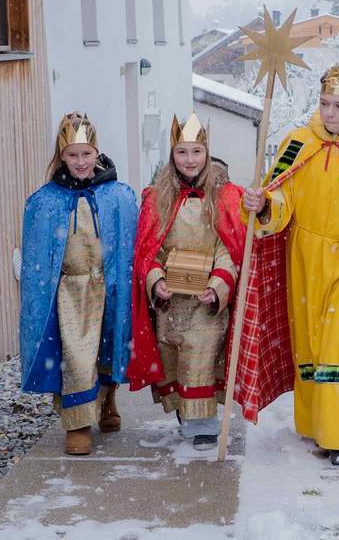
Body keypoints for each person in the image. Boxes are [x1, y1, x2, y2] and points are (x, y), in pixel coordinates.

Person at [241, 65, 339, 465]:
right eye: (325, 104)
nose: (330, 113)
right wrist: (263, 206)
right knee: (312, 345)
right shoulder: (299, 144)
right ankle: (320, 422)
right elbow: (282, 201)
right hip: (307, 261)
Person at [19, 112, 138, 455]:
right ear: (61, 157)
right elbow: (36, 261)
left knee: (109, 345)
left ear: (97, 153)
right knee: (76, 357)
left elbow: (130, 244)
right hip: (70, 290)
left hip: (109, 284)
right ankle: (78, 423)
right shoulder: (45, 202)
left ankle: (108, 401)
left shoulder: (118, 196)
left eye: (86, 154)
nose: (80, 162)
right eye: (73, 155)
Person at [127, 113, 245, 450]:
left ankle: (202, 424)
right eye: (182, 152)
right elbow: (151, 250)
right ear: (172, 156)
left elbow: (228, 249)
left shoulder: (224, 196)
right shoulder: (157, 197)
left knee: (202, 357)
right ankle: (186, 409)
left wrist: (219, 284)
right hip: (173, 300)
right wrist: (156, 280)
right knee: (175, 357)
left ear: (207, 154)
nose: (190, 160)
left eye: (196, 152)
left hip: (207, 301)